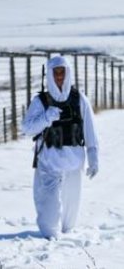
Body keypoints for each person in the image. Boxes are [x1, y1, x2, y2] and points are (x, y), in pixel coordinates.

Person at [22, 56, 99, 240]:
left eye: (62, 72)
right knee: (49, 221)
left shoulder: (79, 100)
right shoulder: (41, 101)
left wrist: (94, 157)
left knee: (68, 223)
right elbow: (27, 128)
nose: (59, 77)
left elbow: (90, 130)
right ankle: (50, 239)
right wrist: (46, 117)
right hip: (49, 165)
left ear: (68, 73)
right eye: (55, 73)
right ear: (49, 74)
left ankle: (65, 243)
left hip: (74, 165)